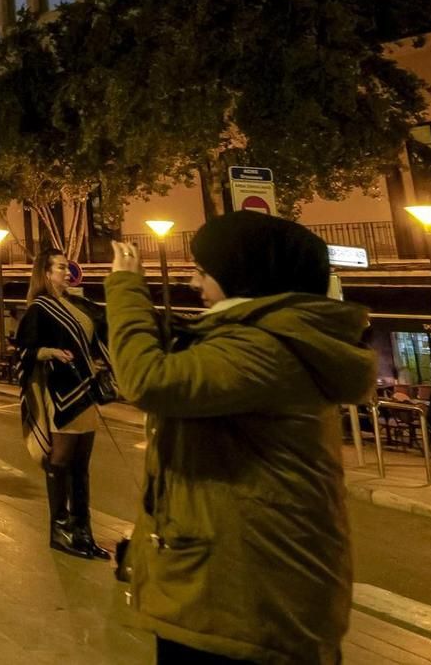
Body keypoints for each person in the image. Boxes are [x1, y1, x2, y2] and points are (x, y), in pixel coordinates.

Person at [109, 212, 375, 665]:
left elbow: (148, 380)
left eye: (203, 271)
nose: (195, 283)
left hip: (243, 596)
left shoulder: (264, 346)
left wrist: (126, 291)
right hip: (233, 585)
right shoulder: (265, 337)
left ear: (242, 277)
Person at [14, 251, 111, 554]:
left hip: (86, 392)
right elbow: (23, 352)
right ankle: (59, 530)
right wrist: (49, 352)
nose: (67, 272)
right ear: (45, 272)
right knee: (60, 462)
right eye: (60, 267)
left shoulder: (79, 304)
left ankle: (83, 531)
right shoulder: (39, 310)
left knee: (81, 466)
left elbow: (101, 335)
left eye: (68, 267)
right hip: (62, 395)